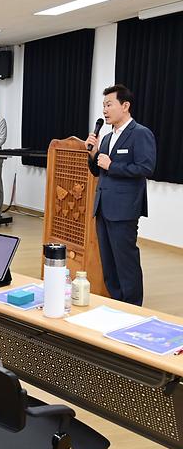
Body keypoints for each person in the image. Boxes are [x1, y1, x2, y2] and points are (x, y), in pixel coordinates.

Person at [86, 84, 156, 306]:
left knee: (126, 261)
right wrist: (93, 154)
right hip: (103, 207)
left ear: (125, 106)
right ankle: (117, 303)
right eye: (103, 105)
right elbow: (98, 170)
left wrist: (112, 165)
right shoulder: (106, 138)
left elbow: (145, 168)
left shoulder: (141, 134)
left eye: (109, 104)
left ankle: (133, 308)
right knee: (109, 262)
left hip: (124, 209)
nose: (105, 110)